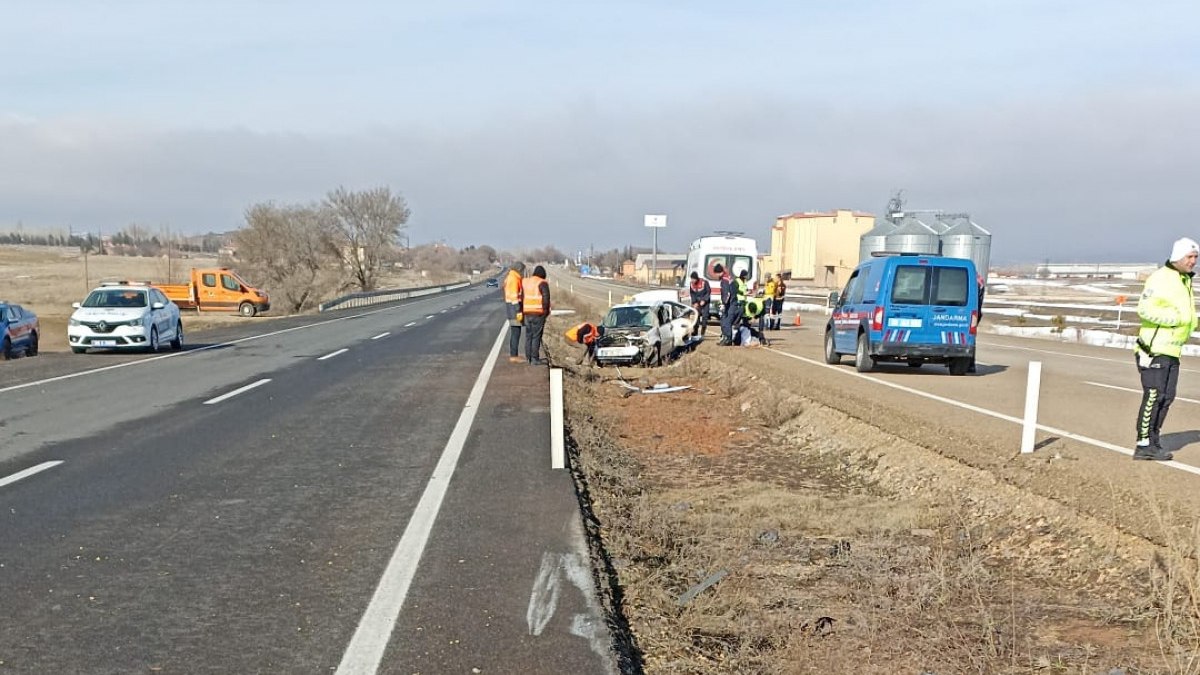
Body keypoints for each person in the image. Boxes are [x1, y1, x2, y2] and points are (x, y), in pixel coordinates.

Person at [1132, 237, 1198, 461]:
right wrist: (1176, 319)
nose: (1193, 261)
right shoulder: (1161, 278)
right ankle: (1143, 444)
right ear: (1178, 257)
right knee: (1153, 395)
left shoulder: (1183, 279)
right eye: (1190, 257)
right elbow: (1144, 309)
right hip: (1154, 348)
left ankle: (1153, 439)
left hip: (1172, 349)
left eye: (1195, 257)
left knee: (1167, 397)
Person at [523, 265, 551, 365]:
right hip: (538, 314)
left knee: (528, 336)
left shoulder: (525, 282)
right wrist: (546, 312)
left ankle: (528, 357)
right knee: (536, 336)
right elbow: (546, 299)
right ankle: (535, 359)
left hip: (526, 312)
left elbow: (521, 296)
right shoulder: (542, 283)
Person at [503, 262, 526, 363]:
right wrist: (518, 310)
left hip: (511, 308)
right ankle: (514, 356)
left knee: (515, 332)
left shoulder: (512, 277)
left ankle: (514, 354)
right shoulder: (514, 278)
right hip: (514, 309)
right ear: (519, 269)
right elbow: (514, 296)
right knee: (515, 332)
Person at [717, 263, 737, 345]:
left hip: (730, 304)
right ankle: (725, 338)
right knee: (725, 320)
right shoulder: (729, 277)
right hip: (732, 302)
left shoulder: (724, 280)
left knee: (726, 321)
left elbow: (727, 293)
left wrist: (724, 304)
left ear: (719, 272)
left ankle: (728, 339)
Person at [688, 271, 710, 338]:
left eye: (693, 279)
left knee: (704, 318)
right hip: (697, 302)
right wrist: (694, 302)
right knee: (696, 317)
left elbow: (708, 292)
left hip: (705, 302)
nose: (692, 280)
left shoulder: (704, 282)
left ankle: (703, 333)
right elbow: (692, 294)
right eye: (691, 279)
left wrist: (704, 300)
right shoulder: (691, 284)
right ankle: (695, 332)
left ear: (696, 278)